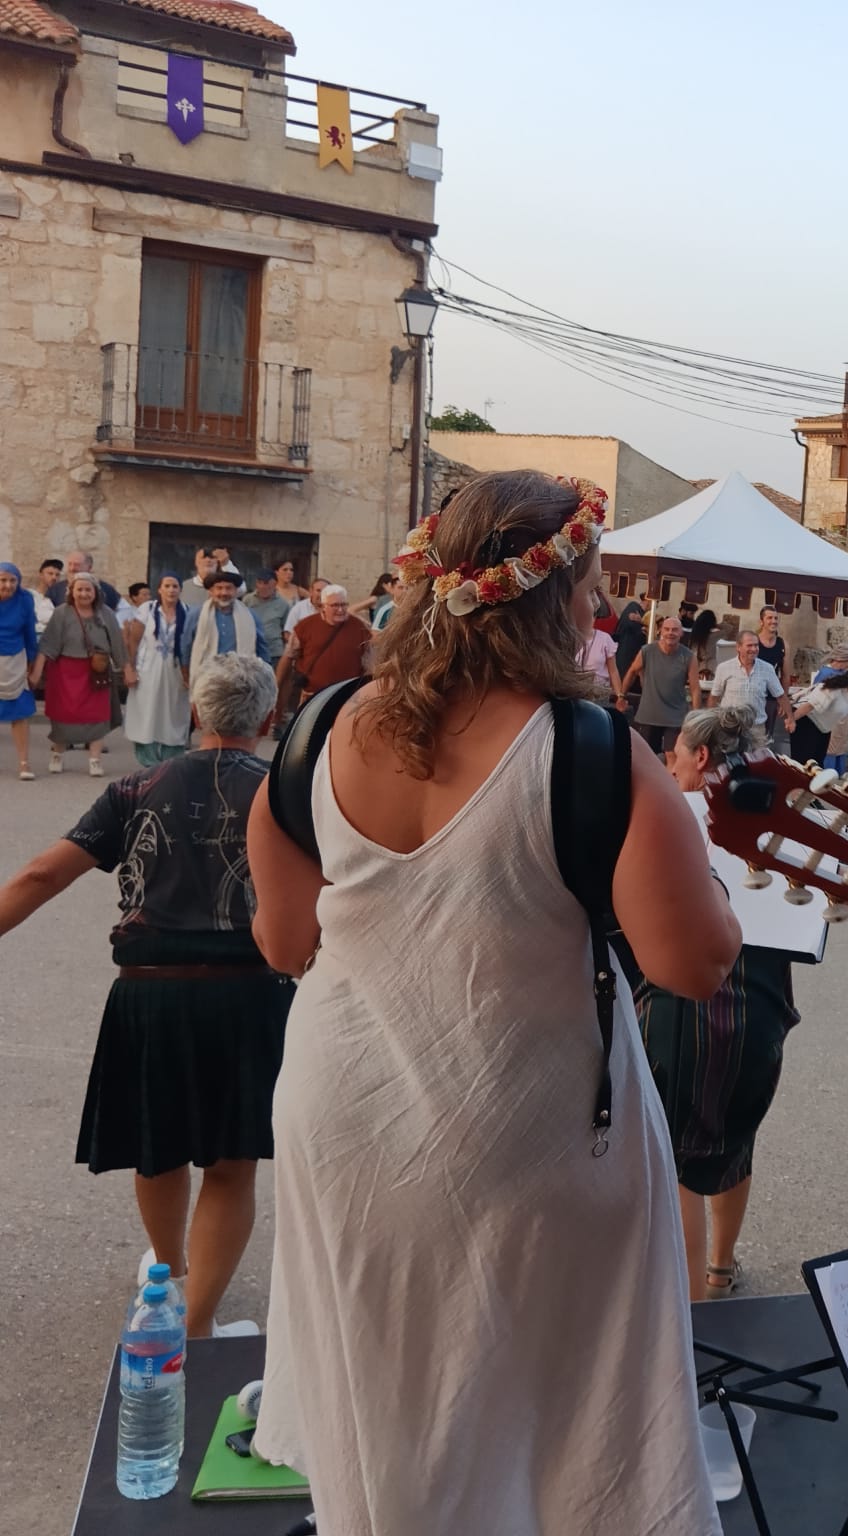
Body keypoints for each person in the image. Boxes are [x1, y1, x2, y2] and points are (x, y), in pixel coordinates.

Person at [244, 470, 741, 1532]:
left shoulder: (317, 730)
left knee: (388, 1397)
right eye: (591, 588)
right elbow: (693, 965)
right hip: (530, 1133)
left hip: (345, 1127)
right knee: (562, 1420)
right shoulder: (592, 752)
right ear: (559, 598)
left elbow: (284, 945)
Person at [0, 654, 288, 1338]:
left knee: (158, 1147)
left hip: (149, 992)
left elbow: (41, 875)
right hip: (247, 995)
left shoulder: (135, 787)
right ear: (269, 718)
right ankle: (198, 1327)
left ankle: (169, 1275)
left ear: (196, 712)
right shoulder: (284, 793)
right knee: (231, 1164)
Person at [644, 705, 802, 1299]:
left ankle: (694, 1314)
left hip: (685, 1010)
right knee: (738, 1141)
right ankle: (720, 1267)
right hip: (761, 1011)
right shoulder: (780, 818)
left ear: (702, 756)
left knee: (676, 1160)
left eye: (678, 756)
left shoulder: (673, 819)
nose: (671, 767)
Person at [35, 571, 131, 777]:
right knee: (62, 715)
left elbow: (117, 644)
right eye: (79, 589)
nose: (84, 594)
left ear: (95, 592)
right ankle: (57, 754)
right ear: (72, 591)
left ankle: (95, 760)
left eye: (88, 589)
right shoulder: (61, 613)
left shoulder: (106, 614)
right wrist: (36, 672)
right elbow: (47, 645)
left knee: (97, 716)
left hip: (96, 672)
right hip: (64, 672)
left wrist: (127, 670)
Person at [127, 575, 194, 767]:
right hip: (148, 669)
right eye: (167, 586)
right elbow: (133, 640)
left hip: (176, 671)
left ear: (180, 590)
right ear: (160, 589)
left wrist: (190, 674)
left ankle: (171, 760)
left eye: (175, 586)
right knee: (146, 712)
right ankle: (148, 761)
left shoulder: (188, 612)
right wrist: (130, 668)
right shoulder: (147, 609)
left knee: (173, 713)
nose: (171, 590)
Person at [620, 615, 699, 762]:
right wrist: (621, 696)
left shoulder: (688, 656)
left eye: (674, 630)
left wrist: (695, 715)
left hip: (675, 716)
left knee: (672, 755)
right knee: (645, 756)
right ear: (660, 631)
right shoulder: (647, 651)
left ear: (681, 633)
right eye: (667, 629)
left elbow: (695, 688)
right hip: (649, 714)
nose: (670, 633)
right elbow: (632, 671)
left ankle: (670, 778)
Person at [276, 583, 369, 701]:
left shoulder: (359, 627)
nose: (340, 609)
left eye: (344, 604)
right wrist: (277, 686)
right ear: (323, 606)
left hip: (348, 696)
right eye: (335, 605)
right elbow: (288, 656)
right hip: (313, 697)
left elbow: (370, 663)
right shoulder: (305, 626)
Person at [190, 568, 268, 692]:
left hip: (240, 679)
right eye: (219, 588)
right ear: (211, 591)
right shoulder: (197, 615)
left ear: (236, 591)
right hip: (206, 678)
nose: (224, 593)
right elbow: (185, 646)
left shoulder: (250, 616)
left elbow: (262, 649)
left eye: (228, 588)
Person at [708, 629, 787, 748]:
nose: (754, 649)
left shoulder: (767, 668)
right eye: (749, 645)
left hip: (757, 728)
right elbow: (714, 697)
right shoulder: (724, 668)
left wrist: (790, 718)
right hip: (730, 728)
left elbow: (780, 695)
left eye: (756, 645)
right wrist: (711, 721)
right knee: (730, 759)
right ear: (738, 647)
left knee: (758, 759)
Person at [0, 563, 41, 780]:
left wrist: (32, 661)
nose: (8, 585)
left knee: (20, 713)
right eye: (2, 580)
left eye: (12, 580)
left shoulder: (25, 599)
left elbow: (29, 631)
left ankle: (24, 763)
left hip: (15, 660)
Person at [788, 660, 848, 766]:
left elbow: (847, 707)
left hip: (824, 729)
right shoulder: (835, 688)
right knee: (803, 763)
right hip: (808, 722)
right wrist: (791, 720)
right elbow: (810, 705)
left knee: (817, 764)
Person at [754, 608, 790, 753]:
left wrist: (783, 700)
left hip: (771, 697)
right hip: (753, 694)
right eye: (769, 618)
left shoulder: (783, 645)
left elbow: (785, 675)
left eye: (775, 618)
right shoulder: (754, 642)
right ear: (761, 621)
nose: (773, 621)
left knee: (766, 737)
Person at [242, 569, 292, 662]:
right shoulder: (247, 600)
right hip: (252, 651)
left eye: (266, 583)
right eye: (259, 583)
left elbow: (286, 630)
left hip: (274, 652)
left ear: (275, 584)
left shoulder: (283, 604)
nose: (263, 587)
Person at [611, 600, 648, 712]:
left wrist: (642, 621)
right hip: (626, 656)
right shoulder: (633, 607)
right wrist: (644, 623)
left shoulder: (643, 615)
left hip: (635, 658)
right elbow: (630, 623)